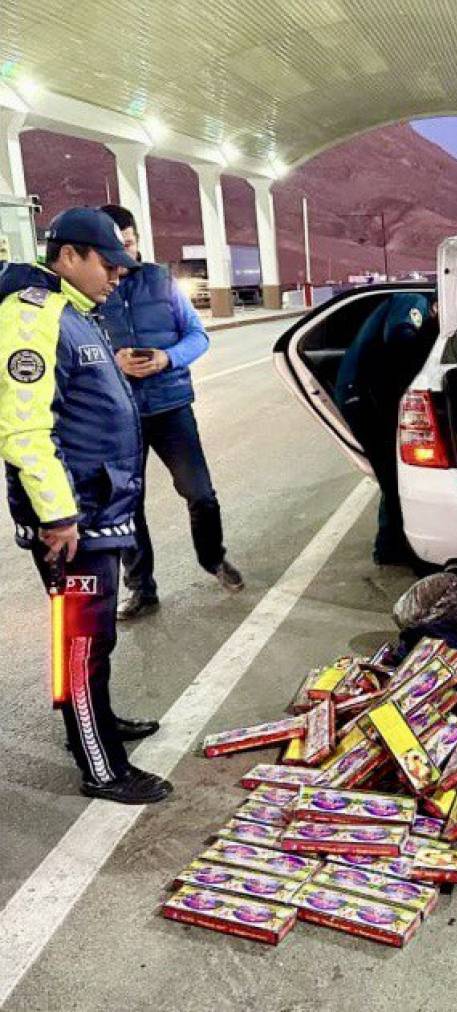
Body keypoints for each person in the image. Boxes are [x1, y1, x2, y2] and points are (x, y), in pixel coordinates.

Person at [0, 207, 171, 804]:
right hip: (72, 520)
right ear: (69, 255)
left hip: (97, 510)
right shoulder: (33, 317)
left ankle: (94, 724)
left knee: (92, 638)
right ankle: (101, 768)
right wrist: (57, 515)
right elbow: (23, 430)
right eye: (109, 263)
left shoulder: (75, 312)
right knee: (80, 643)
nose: (118, 275)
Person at [96, 205, 243, 620]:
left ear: (137, 241)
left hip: (171, 405)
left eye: (128, 244)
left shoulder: (161, 282)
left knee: (200, 493)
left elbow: (197, 336)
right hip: (118, 415)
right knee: (127, 504)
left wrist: (167, 357)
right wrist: (114, 363)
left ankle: (213, 558)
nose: (122, 254)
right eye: (113, 247)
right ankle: (141, 589)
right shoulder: (89, 290)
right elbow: (75, 350)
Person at [332, 292, 438, 563]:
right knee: (393, 474)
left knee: (392, 470)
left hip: (366, 393)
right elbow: (402, 337)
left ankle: (389, 544)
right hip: (362, 395)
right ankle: (397, 549)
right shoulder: (414, 300)